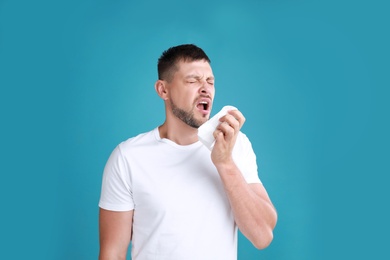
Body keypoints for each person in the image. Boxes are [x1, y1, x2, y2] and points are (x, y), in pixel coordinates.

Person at [98, 44, 277, 260]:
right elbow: (112, 253)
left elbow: (263, 236)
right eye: (193, 80)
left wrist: (225, 163)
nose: (205, 88)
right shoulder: (128, 157)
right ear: (163, 90)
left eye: (210, 82)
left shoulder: (236, 145)